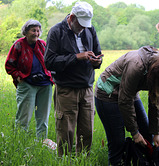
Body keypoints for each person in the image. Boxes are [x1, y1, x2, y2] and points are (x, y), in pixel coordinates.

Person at [94, 46, 159, 165]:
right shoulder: (137, 65)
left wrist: (156, 133)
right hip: (107, 93)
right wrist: (134, 133)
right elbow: (124, 100)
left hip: (129, 92)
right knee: (117, 142)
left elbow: (156, 102)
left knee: (148, 135)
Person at [44, 2, 103, 157]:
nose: (83, 28)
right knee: (66, 131)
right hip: (66, 88)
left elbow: (97, 52)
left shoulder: (90, 30)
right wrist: (76, 57)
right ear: (71, 18)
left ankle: (82, 159)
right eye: (81, 24)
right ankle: (64, 160)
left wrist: (97, 61)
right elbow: (49, 62)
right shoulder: (56, 32)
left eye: (86, 25)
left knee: (87, 131)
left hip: (87, 87)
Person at [5, 19, 53, 140]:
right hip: (27, 84)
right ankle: (20, 143)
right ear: (26, 32)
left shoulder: (42, 44)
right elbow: (9, 64)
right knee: (23, 117)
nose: (36, 33)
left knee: (43, 117)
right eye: (33, 30)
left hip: (45, 84)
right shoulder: (19, 45)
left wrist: (51, 75)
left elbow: (50, 61)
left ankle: (41, 142)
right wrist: (17, 75)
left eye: (38, 31)